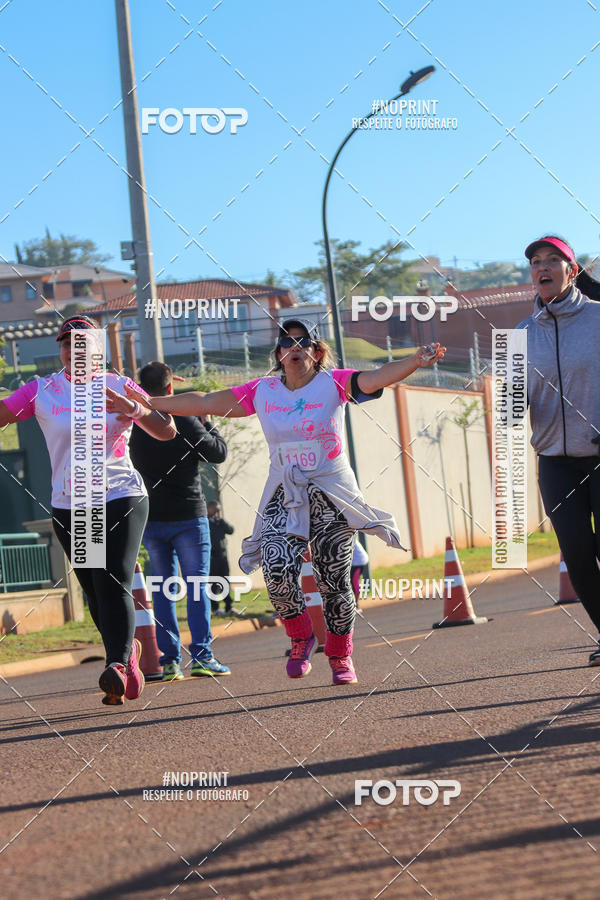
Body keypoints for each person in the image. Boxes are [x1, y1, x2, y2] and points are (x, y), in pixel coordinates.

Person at [122, 317, 445, 685]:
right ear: (278, 353)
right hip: (284, 492)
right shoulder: (263, 391)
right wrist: (145, 402)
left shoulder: (334, 384)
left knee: (334, 579)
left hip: (330, 490)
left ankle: (340, 657)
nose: (295, 349)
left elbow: (377, 376)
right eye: (287, 343)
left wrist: (415, 361)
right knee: (276, 569)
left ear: (317, 352)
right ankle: (300, 636)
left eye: (303, 342)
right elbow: (205, 401)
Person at [0, 316, 177, 704]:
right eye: (67, 343)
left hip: (120, 493)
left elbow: (167, 430)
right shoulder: (42, 391)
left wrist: (135, 408)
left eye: (83, 343)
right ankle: (126, 656)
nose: (74, 349)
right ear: (60, 350)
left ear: (98, 350)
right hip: (73, 502)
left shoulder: (118, 384)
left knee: (113, 577)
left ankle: (115, 662)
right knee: (96, 591)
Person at [518, 236, 600, 665]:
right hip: (554, 462)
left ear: (572, 270)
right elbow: (511, 411)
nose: (542, 267)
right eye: (535, 262)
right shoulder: (518, 337)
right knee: (577, 554)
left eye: (553, 260)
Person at [129, 361, 231, 681]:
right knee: (197, 587)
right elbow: (218, 453)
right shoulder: (184, 419)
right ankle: (202, 656)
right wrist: (207, 420)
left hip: (152, 518)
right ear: (170, 389)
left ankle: (170, 661)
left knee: (162, 589)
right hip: (188, 515)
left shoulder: (135, 422)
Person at [207, 500, 236, 617]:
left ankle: (229, 607)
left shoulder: (220, 523)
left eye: (218, 509)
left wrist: (221, 520)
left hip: (223, 557)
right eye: (215, 509)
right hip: (211, 558)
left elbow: (231, 530)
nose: (217, 511)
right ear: (209, 509)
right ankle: (215, 609)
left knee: (225, 582)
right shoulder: (205, 523)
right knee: (213, 584)